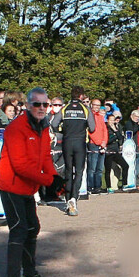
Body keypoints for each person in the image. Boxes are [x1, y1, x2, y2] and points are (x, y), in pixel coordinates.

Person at [0, 88, 59, 277]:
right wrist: (48, 180)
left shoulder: (42, 126)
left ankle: (30, 274)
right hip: (11, 185)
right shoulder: (16, 128)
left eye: (44, 104)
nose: (41, 108)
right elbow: (20, 165)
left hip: (27, 187)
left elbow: (46, 158)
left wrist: (56, 179)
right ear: (28, 106)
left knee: (32, 227)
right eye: (36, 104)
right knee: (19, 229)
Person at [53, 86, 94, 216]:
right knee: (80, 171)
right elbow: (92, 128)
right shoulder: (85, 109)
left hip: (67, 142)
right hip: (80, 143)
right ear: (81, 96)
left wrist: (62, 130)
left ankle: (67, 199)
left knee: (69, 171)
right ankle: (74, 198)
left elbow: (54, 124)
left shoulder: (64, 109)